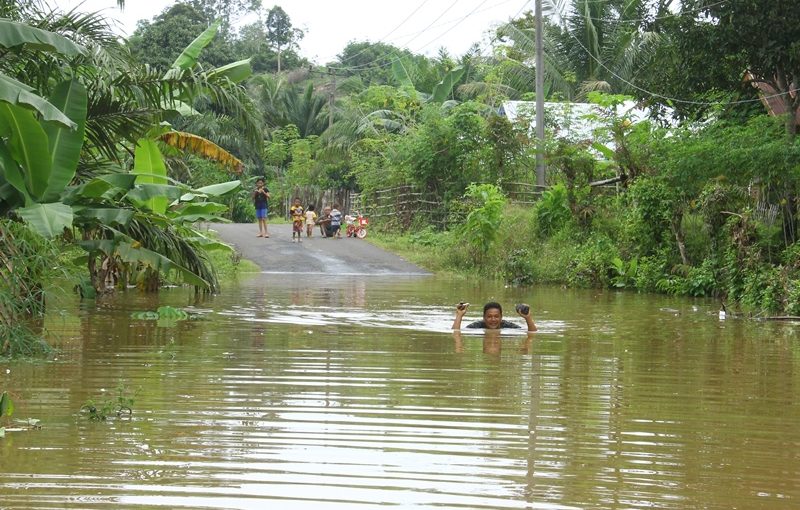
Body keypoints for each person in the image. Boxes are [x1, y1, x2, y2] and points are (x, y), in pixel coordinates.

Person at [451, 301, 537, 332]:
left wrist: (528, 317)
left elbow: (532, 333)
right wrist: (459, 315)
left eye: (496, 316)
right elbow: (456, 332)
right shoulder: (477, 326)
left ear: (501, 317)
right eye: (489, 317)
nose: (493, 319)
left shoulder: (507, 326)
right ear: (484, 318)